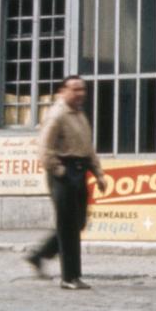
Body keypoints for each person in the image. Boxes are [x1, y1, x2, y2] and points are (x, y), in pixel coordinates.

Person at [26, 76, 108, 290]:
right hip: (63, 173)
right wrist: (60, 171)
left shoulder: (79, 114)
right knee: (67, 226)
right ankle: (70, 277)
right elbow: (44, 148)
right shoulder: (57, 114)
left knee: (78, 222)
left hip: (80, 171)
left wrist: (98, 174)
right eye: (75, 89)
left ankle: (39, 254)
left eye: (82, 89)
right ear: (63, 91)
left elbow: (87, 147)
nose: (80, 93)